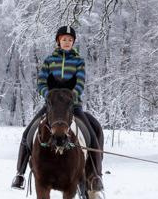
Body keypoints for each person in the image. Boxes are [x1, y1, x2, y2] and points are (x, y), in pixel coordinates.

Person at [11, 25, 99, 190]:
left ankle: (96, 176)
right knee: (27, 134)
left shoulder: (79, 61)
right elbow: (41, 82)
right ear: (58, 41)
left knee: (92, 136)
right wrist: (48, 95)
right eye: (64, 39)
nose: (67, 42)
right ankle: (20, 174)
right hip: (52, 107)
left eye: (70, 40)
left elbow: (80, 83)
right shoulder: (49, 60)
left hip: (72, 106)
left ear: (73, 42)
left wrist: (70, 97)